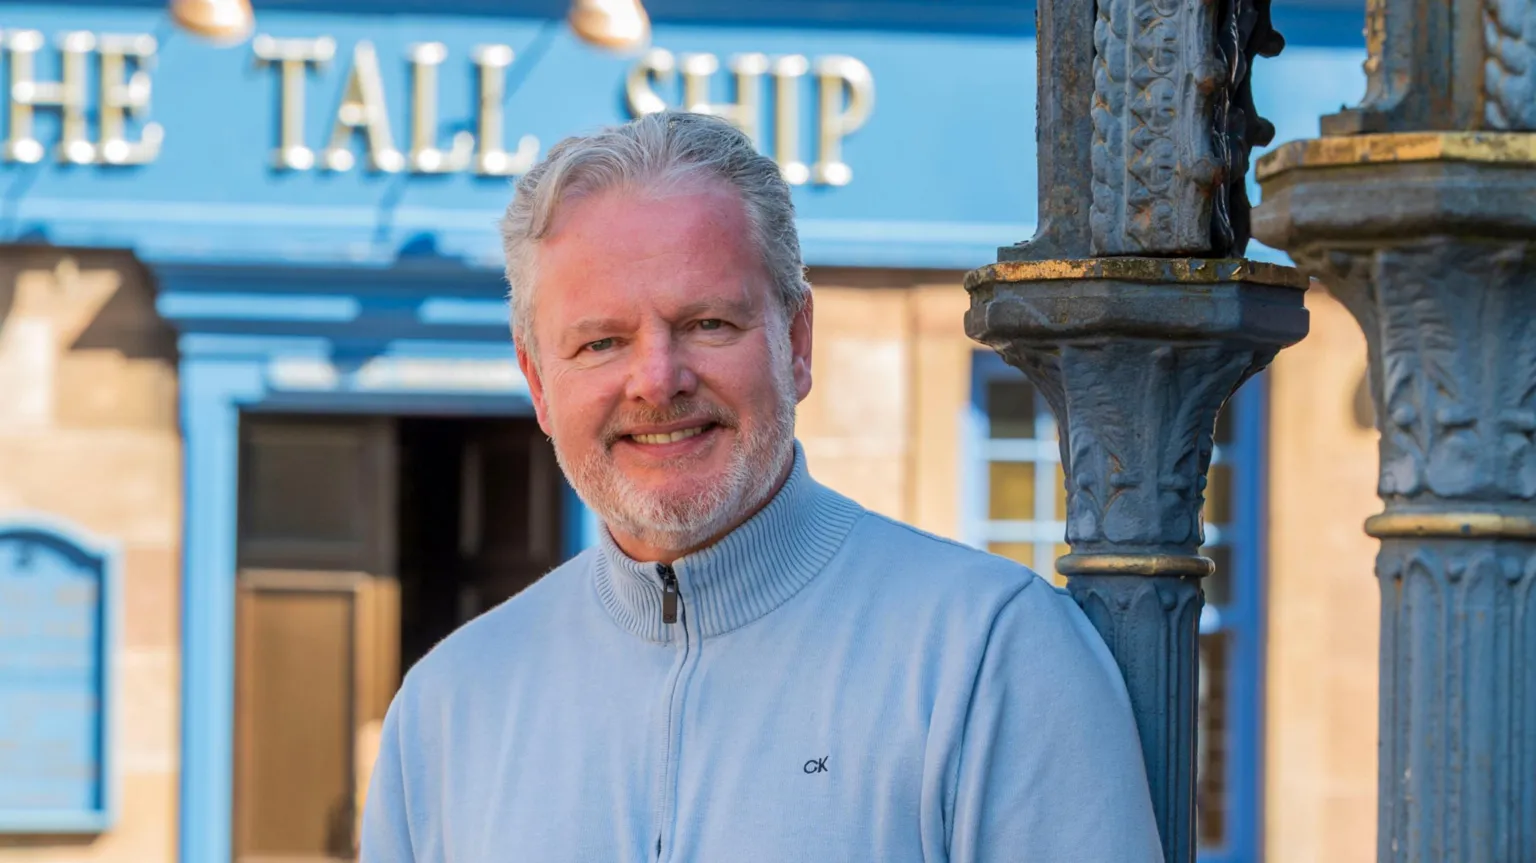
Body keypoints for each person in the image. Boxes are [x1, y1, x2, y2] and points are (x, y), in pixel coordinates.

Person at [360, 111, 1162, 863]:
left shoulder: (991, 657)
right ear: (538, 383)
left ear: (797, 340)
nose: (657, 379)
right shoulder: (445, 709)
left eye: (708, 323)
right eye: (602, 342)